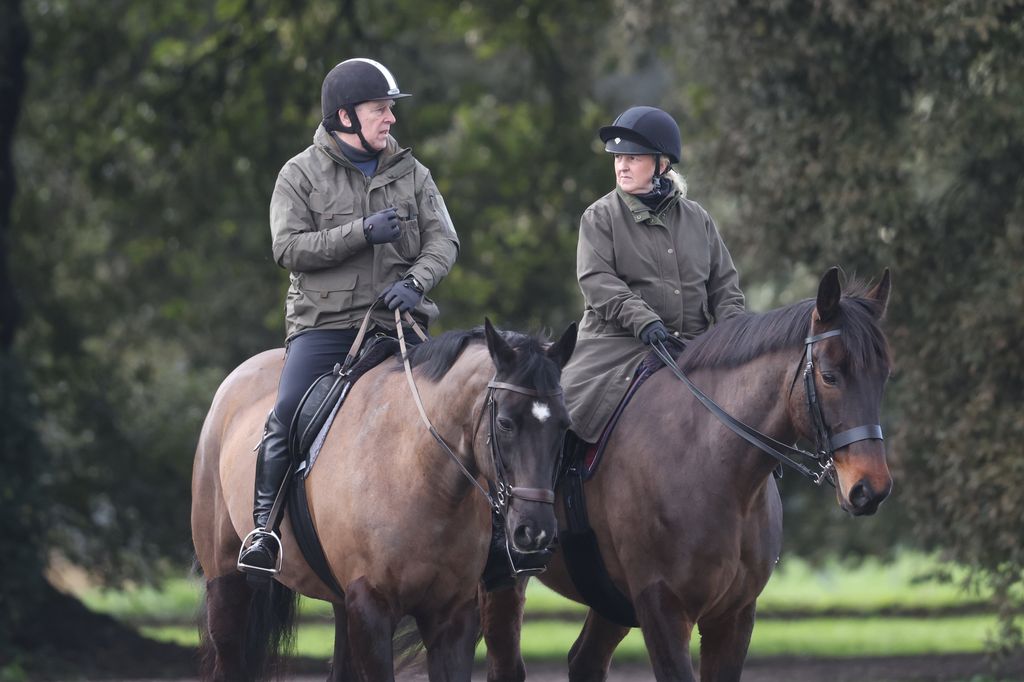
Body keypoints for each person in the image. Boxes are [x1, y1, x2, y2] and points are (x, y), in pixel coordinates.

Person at [238, 58, 460, 573]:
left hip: (401, 326)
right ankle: (263, 532)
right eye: (379, 109)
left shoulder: (413, 173)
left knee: (460, 413)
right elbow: (287, 248)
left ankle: (485, 541)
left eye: (389, 109)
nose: (390, 119)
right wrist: (360, 232)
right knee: (288, 412)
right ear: (344, 117)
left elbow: (444, 240)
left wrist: (415, 282)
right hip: (327, 326)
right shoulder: (298, 175)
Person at [560, 105, 744, 445]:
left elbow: (725, 287)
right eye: (618, 157)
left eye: (633, 158)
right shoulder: (599, 217)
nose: (622, 165)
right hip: (617, 347)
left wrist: (733, 335)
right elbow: (597, 282)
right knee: (561, 417)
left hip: (693, 346)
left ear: (661, 164)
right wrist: (644, 321)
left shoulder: (698, 219)